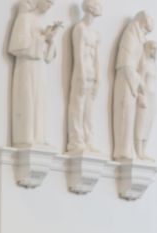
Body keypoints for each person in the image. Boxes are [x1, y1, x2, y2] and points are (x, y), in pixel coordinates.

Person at [8, 0, 62, 148]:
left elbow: (48, 57)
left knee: (39, 101)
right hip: (27, 66)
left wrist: (50, 41)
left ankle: (39, 137)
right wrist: (43, 38)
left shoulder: (41, 22)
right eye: (48, 2)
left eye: (52, 4)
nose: (50, 6)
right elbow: (17, 46)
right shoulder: (25, 18)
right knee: (28, 99)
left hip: (40, 67)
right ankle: (26, 137)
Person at [112, 11, 153, 161]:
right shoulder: (130, 36)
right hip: (126, 81)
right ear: (141, 24)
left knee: (131, 116)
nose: (145, 34)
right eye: (145, 30)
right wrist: (139, 82)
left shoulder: (138, 38)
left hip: (132, 81)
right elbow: (125, 64)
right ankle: (123, 151)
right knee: (125, 114)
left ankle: (129, 149)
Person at [65, 0, 102, 155]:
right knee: (78, 106)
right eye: (99, 3)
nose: (101, 6)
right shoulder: (80, 28)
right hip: (82, 71)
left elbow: (97, 57)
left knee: (89, 109)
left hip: (92, 72)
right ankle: (76, 140)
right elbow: (78, 54)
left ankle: (88, 140)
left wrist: (98, 77)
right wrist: (80, 74)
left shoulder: (96, 33)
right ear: (90, 7)